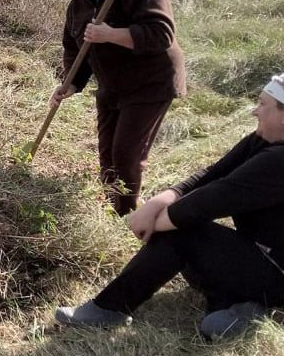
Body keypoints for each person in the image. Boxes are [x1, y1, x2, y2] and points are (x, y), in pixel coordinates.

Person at [56, 73, 284, 340]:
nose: (255, 111)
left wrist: (155, 223)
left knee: (180, 231)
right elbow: (211, 174)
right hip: (258, 252)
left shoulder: (279, 160)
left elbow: (213, 199)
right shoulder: (264, 140)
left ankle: (111, 307)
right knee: (183, 232)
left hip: (277, 271)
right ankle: (240, 305)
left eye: (263, 104)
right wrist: (160, 201)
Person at [50, 0, 185, 215]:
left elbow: (161, 34)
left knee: (126, 155)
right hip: (113, 86)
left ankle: (128, 218)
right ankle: (114, 211)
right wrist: (71, 83)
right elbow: (75, 46)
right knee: (108, 155)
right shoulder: (81, 1)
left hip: (150, 83)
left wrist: (111, 34)